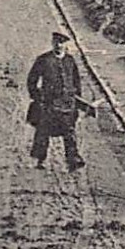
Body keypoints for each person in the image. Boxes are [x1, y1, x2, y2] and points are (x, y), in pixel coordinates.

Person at [26, 31, 89, 172]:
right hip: (48, 104)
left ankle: (73, 161)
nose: (59, 45)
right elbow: (32, 80)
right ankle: (39, 159)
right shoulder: (43, 60)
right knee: (43, 132)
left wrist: (77, 101)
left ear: (65, 45)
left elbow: (76, 82)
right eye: (56, 42)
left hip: (67, 104)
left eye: (61, 43)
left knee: (70, 133)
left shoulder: (70, 61)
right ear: (52, 43)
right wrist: (37, 97)